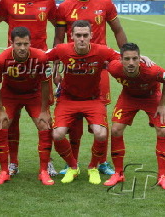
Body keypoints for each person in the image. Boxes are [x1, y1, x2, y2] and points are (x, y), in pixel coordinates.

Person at [54, 0, 128, 175]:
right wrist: (56, 69)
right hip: (72, 68)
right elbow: (59, 39)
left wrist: (125, 56)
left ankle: (101, 162)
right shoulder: (65, 7)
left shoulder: (104, 3)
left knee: (100, 115)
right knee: (74, 118)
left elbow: (118, 30)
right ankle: (73, 163)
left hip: (98, 68)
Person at [0, 0, 57, 176]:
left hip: (39, 66)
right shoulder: (8, 0)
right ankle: (13, 162)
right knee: (10, 121)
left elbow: (59, 24)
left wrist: (55, 52)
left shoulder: (48, 0)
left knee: (44, 117)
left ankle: (47, 161)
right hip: (14, 65)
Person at [46, 20, 120, 185]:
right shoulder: (62, 49)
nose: (81, 39)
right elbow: (41, 55)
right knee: (57, 134)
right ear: (71, 36)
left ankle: (93, 167)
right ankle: (73, 166)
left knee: (101, 133)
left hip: (92, 100)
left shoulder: (101, 51)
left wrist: (142, 57)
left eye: (85, 35)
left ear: (91, 36)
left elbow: (125, 57)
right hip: (67, 99)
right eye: (78, 35)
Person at [104, 43, 165, 190]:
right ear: (120, 59)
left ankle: (162, 176)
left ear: (139, 59)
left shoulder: (152, 70)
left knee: (163, 130)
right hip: (128, 97)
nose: (131, 63)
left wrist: (162, 105)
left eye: (135, 58)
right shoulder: (114, 67)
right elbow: (102, 56)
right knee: (115, 130)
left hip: (152, 98)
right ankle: (118, 173)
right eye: (127, 59)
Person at [0, 27, 53, 185]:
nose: (23, 48)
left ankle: (44, 171)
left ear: (30, 43)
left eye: (26, 44)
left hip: (34, 95)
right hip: (10, 95)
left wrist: (45, 110)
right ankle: (5, 171)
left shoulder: (41, 58)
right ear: (12, 43)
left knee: (44, 124)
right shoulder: (1, 60)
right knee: (1, 123)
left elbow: (46, 84)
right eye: (19, 44)